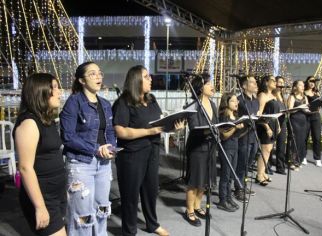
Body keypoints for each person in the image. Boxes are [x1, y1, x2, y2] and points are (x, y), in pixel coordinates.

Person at [113, 65, 180, 236]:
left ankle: (152, 224)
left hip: (152, 151)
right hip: (131, 155)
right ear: (136, 80)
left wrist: (173, 128)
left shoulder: (151, 99)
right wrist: (149, 132)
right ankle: (129, 231)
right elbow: (120, 131)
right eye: (146, 76)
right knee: (130, 196)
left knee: (150, 191)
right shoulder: (124, 102)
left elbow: (159, 126)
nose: (151, 79)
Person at [60, 61, 116, 235]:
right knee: (82, 215)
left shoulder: (105, 103)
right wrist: (96, 149)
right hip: (81, 164)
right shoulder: (73, 102)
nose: (98, 76)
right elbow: (68, 137)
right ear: (82, 80)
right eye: (92, 74)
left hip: (104, 164)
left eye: (99, 73)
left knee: (102, 209)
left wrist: (112, 148)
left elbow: (110, 131)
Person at [14, 73, 66, 236]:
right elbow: (25, 168)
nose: (60, 92)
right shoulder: (29, 123)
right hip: (43, 196)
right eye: (55, 87)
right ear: (41, 92)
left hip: (56, 194)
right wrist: (40, 206)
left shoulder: (46, 119)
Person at [184, 74, 217, 227]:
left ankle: (197, 206)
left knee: (205, 180)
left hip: (211, 147)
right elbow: (194, 129)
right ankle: (189, 210)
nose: (212, 86)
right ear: (200, 87)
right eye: (209, 83)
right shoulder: (193, 105)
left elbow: (217, 124)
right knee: (195, 180)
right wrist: (210, 131)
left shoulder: (213, 104)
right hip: (197, 147)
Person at [217, 92, 243, 212]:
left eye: (236, 100)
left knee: (231, 175)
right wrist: (235, 128)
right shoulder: (223, 116)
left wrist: (245, 127)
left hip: (235, 146)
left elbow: (238, 135)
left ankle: (228, 197)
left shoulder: (236, 116)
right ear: (226, 103)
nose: (236, 102)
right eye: (233, 101)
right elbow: (224, 136)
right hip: (226, 147)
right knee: (225, 175)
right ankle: (222, 200)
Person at [233, 75, 259, 202]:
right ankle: (238, 188)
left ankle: (243, 185)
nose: (255, 84)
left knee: (248, 164)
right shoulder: (239, 100)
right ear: (244, 86)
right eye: (252, 82)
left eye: (255, 82)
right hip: (243, 137)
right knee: (242, 164)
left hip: (254, 136)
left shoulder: (256, 100)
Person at [256, 75, 280, 186]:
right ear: (266, 82)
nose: (275, 82)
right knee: (265, 149)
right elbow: (259, 114)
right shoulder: (262, 95)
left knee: (269, 149)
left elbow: (276, 113)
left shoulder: (273, 95)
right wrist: (267, 127)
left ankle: (263, 171)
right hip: (265, 125)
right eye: (273, 80)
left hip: (274, 123)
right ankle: (259, 175)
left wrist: (278, 125)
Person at [287, 80, 309, 169]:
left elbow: (307, 109)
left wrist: (312, 110)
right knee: (294, 141)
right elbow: (289, 110)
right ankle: (291, 161)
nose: (303, 87)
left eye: (303, 85)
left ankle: (298, 161)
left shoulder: (305, 97)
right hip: (295, 120)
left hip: (303, 120)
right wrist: (299, 108)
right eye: (301, 85)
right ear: (295, 87)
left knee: (301, 141)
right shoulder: (292, 96)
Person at [304, 76, 322, 167]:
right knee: (305, 137)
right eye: (310, 81)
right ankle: (303, 156)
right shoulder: (304, 92)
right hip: (307, 116)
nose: (312, 83)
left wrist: (320, 103)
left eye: (314, 81)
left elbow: (320, 104)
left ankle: (317, 158)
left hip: (316, 117)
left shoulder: (317, 92)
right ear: (307, 81)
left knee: (317, 138)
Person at [273, 76, 288, 174]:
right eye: (279, 82)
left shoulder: (283, 97)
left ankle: (280, 166)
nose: (281, 85)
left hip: (282, 123)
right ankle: (267, 165)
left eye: (283, 83)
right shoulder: (272, 95)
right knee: (270, 146)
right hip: (274, 122)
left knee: (281, 146)